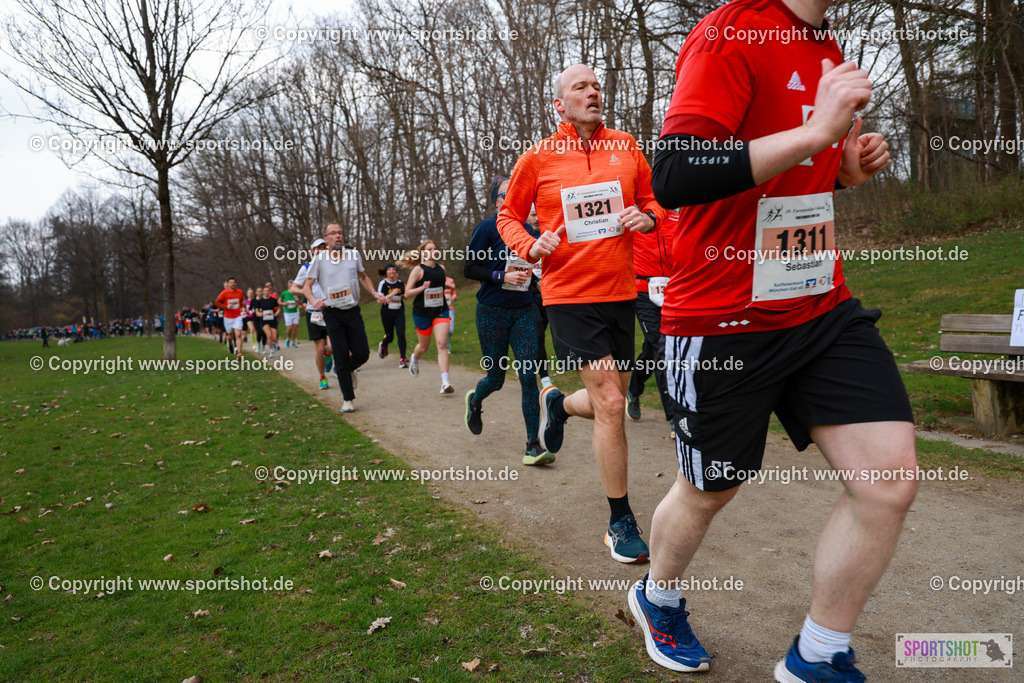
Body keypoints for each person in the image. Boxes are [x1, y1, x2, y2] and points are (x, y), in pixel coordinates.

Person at [626, 2, 914, 680]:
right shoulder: (730, 33)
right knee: (712, 487)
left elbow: (803, 170)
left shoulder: (822, 43)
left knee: (888, 481)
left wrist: (846, 165)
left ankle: (817, 655)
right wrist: (817, 131)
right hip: (723, 319)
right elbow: (676, 174)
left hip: (820, 306)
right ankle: (656, 595)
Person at [497, 63, 665, 564]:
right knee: (613, 402)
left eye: (596, 85)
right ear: (559, 104)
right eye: (580, 87)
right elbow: (508, 214)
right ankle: (620, 519)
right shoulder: (539, 157)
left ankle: (558, 406)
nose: (593, 92)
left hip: (621, 291)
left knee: (604, 399)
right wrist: (531, 245)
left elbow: (656, 201)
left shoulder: (627, 146)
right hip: (568, 293)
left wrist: (647, 215)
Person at [464, 177, 551, 466]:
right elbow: (469, 268)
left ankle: (532, 445)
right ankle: (476, 400)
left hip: (523, 310)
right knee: (496, 379)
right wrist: (501, 276)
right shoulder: (487, 229)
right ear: (497, 201)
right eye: (506, 194)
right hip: (491, 311)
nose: (514, 197)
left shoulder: (528, 230)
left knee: (528, 375)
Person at [303, 224, 387, 413]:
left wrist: (374, 292)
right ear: (326, 239)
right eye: (333, 233)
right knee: (339, 355)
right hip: (332, 313)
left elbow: (363, 277)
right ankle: (348, 399)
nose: (338, 236)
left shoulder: (353, 255)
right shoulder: (319, 260)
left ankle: (347, 370)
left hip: (353, 311)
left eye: (340, 232)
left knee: (362, 353)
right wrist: (313, 300)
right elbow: (307, 287)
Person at [625, 209, 677, 437]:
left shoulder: (679, 218)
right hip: (643, 291)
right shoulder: (633, 219)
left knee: (652, 347)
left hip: (674, 291)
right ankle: (675, 417)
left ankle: (634, 389)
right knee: (661, 348)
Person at [400, 239, 454, 394]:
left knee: (442, 344)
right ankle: (415, 359)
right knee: (423, 347)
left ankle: (445, 383)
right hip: (422, 313)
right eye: (429, 249)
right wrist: (422, 288)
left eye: (434, 249)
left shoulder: (441, 268)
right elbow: (407, 293)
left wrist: (448, 287)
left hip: (441, 310)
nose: (433, 252)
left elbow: (439, 285)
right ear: (423, 253)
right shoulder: (418, 270)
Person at [291, 238, 335, 390]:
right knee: (320, 347)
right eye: (318, 248)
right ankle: (322, 377)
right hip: (313, 312)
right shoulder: (306, 268)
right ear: (312, 251)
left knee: (332, 346)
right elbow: (293, 288)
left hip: (330, 310)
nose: (321, 250)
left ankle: (329, 356)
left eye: (324, 247)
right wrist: (309, 294)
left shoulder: (333, 266)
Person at [526, 204, 553, 390]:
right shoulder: (522, 237)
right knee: (538, 335)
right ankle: (544, 378)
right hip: (532, 295)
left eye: (538, 215)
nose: (536, 219)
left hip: (553, 293)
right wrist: (534, 283)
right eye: (533, 215)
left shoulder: (550, 234)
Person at [376, 264, 408, 368]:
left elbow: (405, 296)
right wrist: (390, 295)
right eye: (389, 270)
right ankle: (384, 344)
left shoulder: (400, 283)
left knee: (401, 334)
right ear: (386, 272)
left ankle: (402, 359)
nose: (391, 271)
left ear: (395, 272)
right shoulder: (383, 284)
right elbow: (379, 301)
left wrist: (406, 292)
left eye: (393, 269)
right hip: (387, 313)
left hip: (399, 311)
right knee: (389, 336)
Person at [214, 277, 246, 359]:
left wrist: (243, 304)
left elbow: (241, 301)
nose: (232, 283)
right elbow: (217, 302)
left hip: (237, 316)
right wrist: (226, 306)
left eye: (234, 282)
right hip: (228, 317)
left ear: (236, 283)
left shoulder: (240, 292)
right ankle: (230, 343)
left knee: (238, 334)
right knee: (230, 336)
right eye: (231, 282)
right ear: (228, 284)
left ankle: (239, 353)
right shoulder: (224, 293)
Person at [253, 287, 280, 359]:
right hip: (264, 320)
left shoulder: (273, 300)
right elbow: (257, 310)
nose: (266, 292)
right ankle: (271, 351)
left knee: (274, 337)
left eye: (268, 291)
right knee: (269, 335)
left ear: (270, 292)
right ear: (263, 292)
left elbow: (278, 308)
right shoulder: (260, 301)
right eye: (265, 291)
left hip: (272, 320)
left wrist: (276, 313)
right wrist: (259, 314)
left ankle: (274, 343)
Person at [444, 276, 457, 353]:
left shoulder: (450, 280)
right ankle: (446, 346)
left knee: (451, 330)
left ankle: (444, 342)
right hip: (441, 309)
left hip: (450, 308)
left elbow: (454, 292)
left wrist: (453, 297)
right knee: (445, 329)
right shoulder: (435, 279)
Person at [243, 287, 258, 352]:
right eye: (249, 293)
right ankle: (254, 344)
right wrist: (244, 310)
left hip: (255, 317)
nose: (250, 294)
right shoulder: (245, 302)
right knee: (252, 329)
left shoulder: (255, 301)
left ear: (253, 294)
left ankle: (257, 343)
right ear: (247, 294)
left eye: (251, 293)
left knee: (256, 331)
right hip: (248, 317)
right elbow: (242, 308)